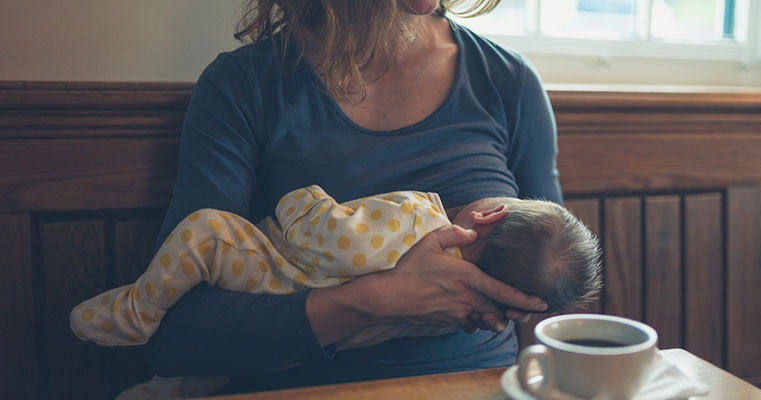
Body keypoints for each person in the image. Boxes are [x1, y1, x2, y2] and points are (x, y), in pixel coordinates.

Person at [142, 0, 563, 394]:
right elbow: (175, 336)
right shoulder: (244, 86)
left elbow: (553, 295)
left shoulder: (508, 81)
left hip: (477, 387)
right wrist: (378, 302)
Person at [71, 185, 600, 350]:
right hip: (310, 351)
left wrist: (302, 199)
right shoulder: (454, 312)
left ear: (489, 215)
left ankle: (135, 312)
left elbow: (321, 235)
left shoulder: (420, 216)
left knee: (205, 231)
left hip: (267, 273)